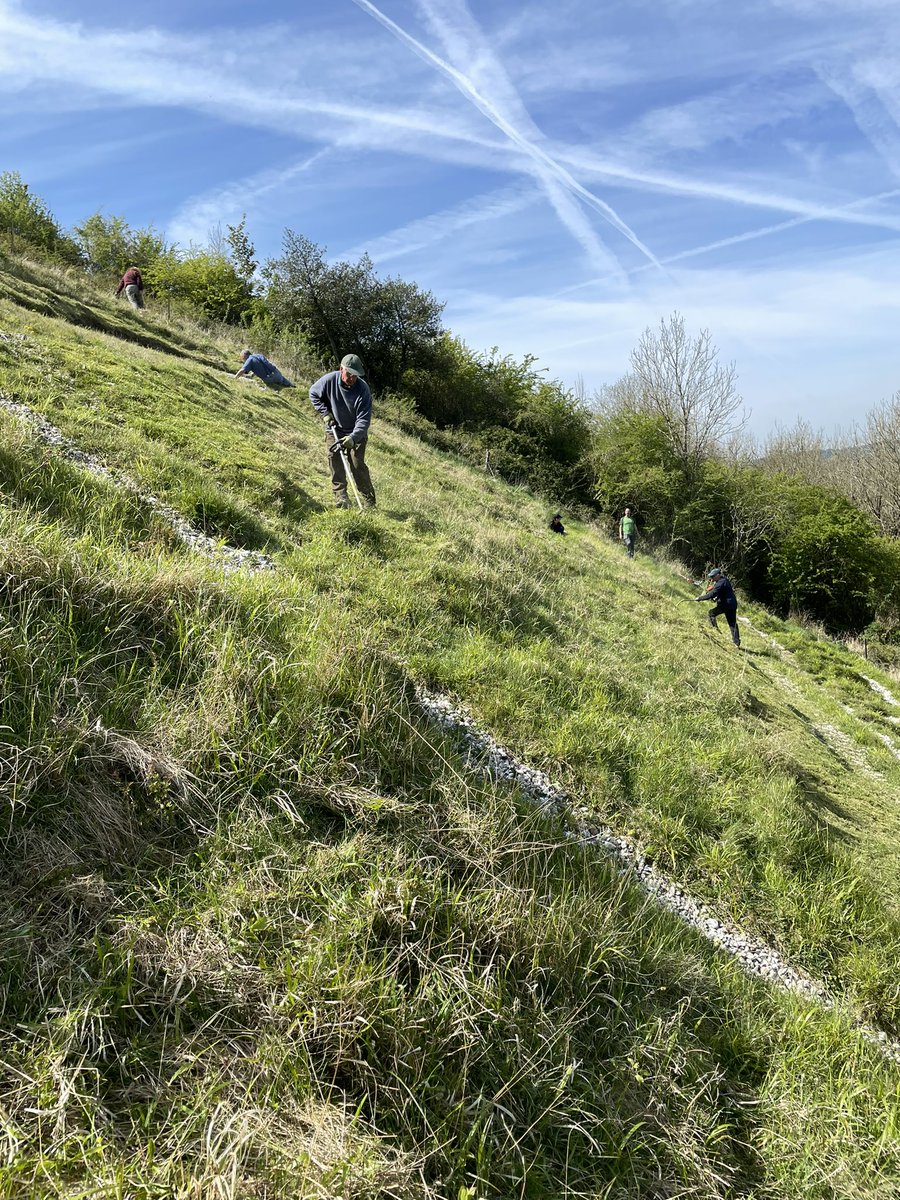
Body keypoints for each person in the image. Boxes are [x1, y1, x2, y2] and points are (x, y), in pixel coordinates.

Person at [309, 353, 376, 509]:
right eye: (349, 374)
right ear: (341, 369)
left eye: (356, 376)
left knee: (357, 465)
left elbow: (364, 420)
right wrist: (325, 413)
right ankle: (341, 497)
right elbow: (313, 393)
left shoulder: (362, 390)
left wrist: (353, 437)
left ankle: (369, 500)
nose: (352, 378)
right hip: (334, 429)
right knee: (335, 459)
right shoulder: (329, 380)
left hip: (355, 433)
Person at [695, 567, 741, 646]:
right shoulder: (724, 580)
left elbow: (712, 594)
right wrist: (716, 598)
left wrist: (700, 598)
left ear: (718, 575)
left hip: (726, 605)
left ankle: (715, 630)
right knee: (732, 623)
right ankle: (736, 643)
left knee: (711, 614)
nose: (711, 578)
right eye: (711, 576)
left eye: (713, 576)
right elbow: (720, 592)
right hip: (732, 604)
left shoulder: (720, 583)